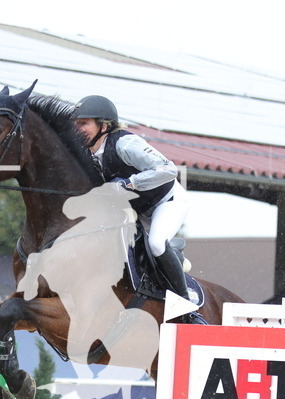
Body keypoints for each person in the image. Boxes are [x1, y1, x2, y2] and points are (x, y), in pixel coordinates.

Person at [72, 95, 198, 320]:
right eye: (76, 123)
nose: (77, 129)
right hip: (137, 211)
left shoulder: (125, 144)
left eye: (83, 123)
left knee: (156, 243)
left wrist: (130, 183)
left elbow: (169, 169)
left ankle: (185, 306)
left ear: (104, 126)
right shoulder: (86, 154)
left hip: (167, 201)